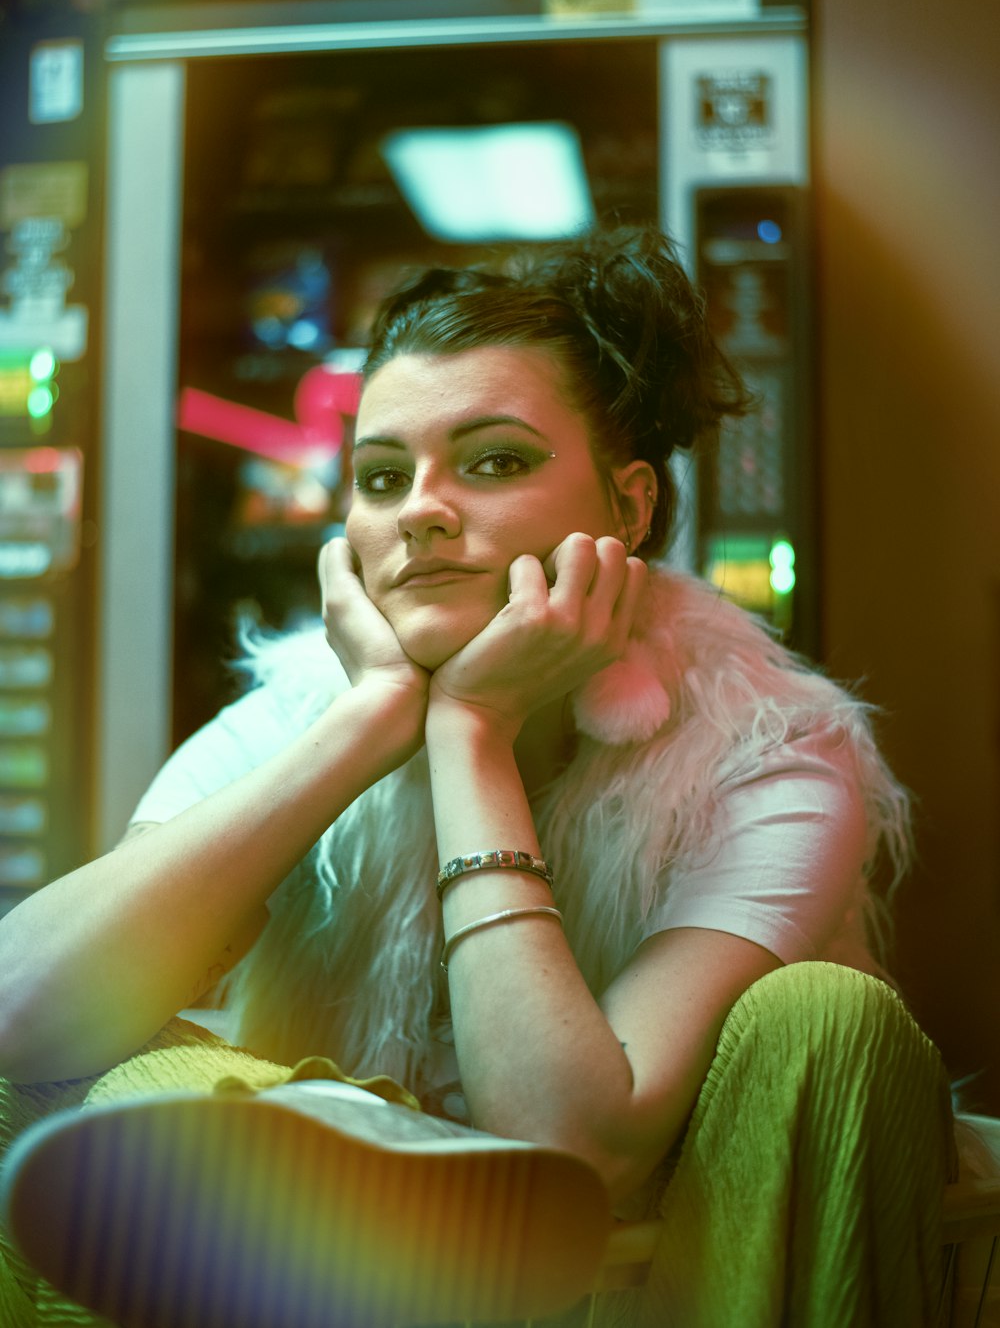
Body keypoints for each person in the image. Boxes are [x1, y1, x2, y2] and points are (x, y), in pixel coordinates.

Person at [0, 225, 956, 1328]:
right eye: (380, 475)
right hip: (331, 1288)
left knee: (829, 1017)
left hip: (654, 1284)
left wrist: (469, 732)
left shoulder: (774, 750)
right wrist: (364, 724)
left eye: (495, 460)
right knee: (121, 1076)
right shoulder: (300, 711)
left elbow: (568, 1144)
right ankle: (373, 1173)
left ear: (629, 507)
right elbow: (20, 1019)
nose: (421, 509)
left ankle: (367, 1175)